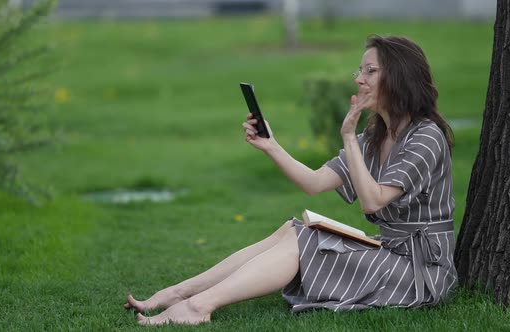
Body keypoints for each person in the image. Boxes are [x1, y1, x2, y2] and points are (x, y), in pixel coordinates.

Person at [124, 35, 457, 325]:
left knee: (307, 241)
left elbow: (372, 200)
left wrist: (348, 138)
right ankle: (181, 292)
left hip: (421, 272)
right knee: (293, 229)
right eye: (360, 70)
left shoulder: (425, 137)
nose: (359, 79)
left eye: (371, 71)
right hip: (392, 252)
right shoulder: (375, 138)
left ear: (399, 77)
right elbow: (314, 183)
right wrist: (271, 146)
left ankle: (199, 306)